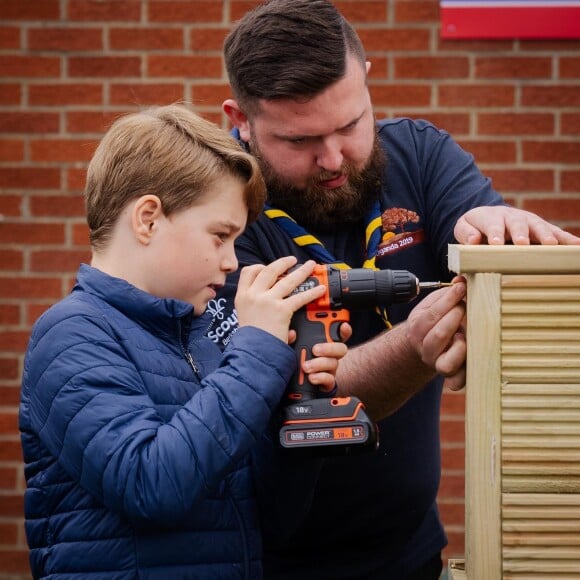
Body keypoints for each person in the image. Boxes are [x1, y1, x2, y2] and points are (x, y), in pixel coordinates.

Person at [201, 1, 580, 579]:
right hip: (265, 560)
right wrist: (414, 347)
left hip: (409, 550)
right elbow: (291, 400)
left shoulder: (421, 154)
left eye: (351, 125)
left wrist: (501, 235)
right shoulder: (220, 216)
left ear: (368, 80)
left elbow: (485, 229)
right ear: (241, 119)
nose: (334, 159)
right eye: (300, 140)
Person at [18, 104, 350, 579]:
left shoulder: (201, 336)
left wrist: (297, 407)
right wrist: (255, 351)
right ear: (148, 219)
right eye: (220, 236)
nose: (232, 262)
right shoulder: (72, 334)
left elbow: (272, 521)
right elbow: (151, 486)